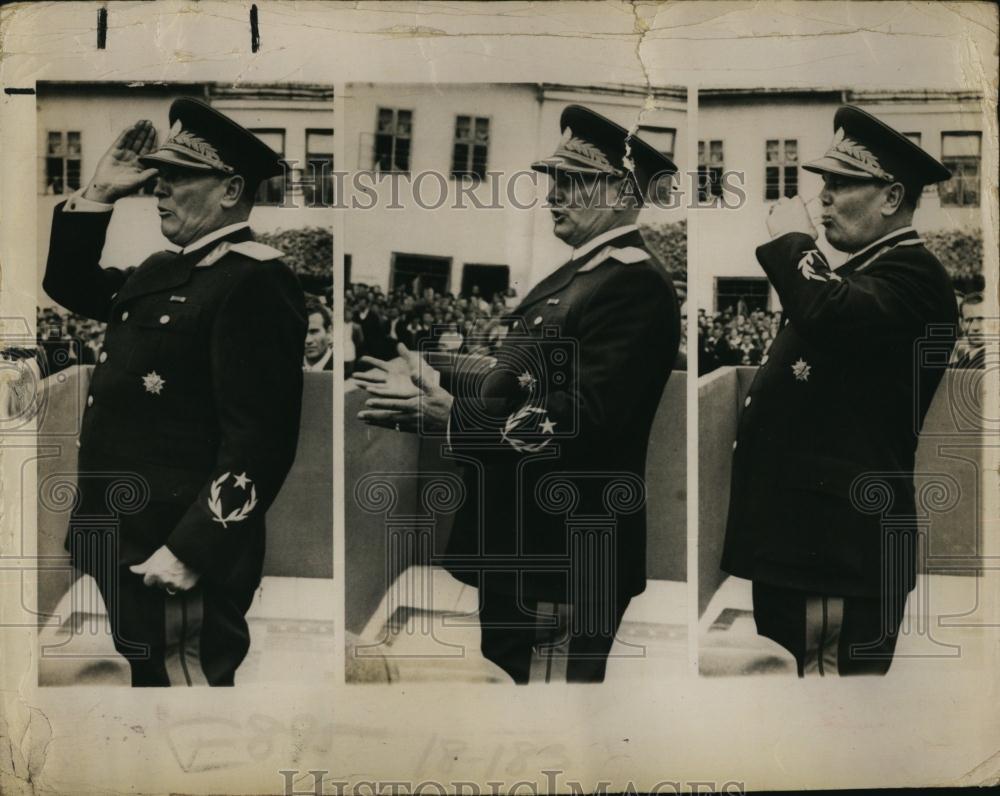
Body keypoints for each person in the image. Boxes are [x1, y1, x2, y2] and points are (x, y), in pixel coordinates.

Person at [356, 105, 681, 683]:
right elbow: (524, 379)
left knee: (550, 723)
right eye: (553, 177)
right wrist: (442, 368)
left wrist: (451, 418)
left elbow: (580, 420)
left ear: (623, 191)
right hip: (528, 543)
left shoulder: (633, 283)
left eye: (573, 180)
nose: (553, 192)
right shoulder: (583, 274)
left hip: (566, 553)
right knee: (509, 688)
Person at [43, 98, 307, 686]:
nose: (160, 187)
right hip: (122, 533)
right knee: (148, 679)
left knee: (185, 696)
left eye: (180, 175)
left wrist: (196, 547)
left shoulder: (256, 279)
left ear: (231, 188)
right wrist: (99, 195)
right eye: (160, 174)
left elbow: (258, 440)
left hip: (173, 548)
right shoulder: (163, 267)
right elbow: (68, 281)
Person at [720, 105, 958, 676]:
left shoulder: (914, 276)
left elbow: (825, 312)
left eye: (843, 182)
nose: (822, 197)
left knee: (822, 726)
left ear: (892, 197)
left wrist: (793, 243)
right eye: (823, 183)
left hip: (835, 553)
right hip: (811, 547)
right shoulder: (865, 273)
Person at [952, 292, 986, 369]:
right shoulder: (962, 363)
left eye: (981, 319)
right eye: (969, 320)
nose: (975, 327)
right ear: (962, 324)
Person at [303, 298, 334, 371]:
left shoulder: (344, 369)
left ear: (329, 332)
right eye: (302, 333)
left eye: (314, 331)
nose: (308, 340)